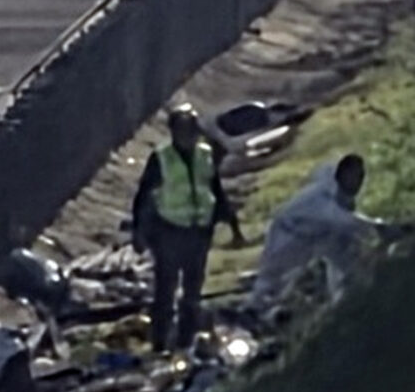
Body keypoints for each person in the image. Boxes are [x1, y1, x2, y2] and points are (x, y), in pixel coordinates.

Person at [131, 104, 243, 353]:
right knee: (166, 290)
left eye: (192, 131)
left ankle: (185, 341)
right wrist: (139, 232)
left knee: (193, 291)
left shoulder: (205, 155)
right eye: (184, 131)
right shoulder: (161, 158)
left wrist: (233, 225)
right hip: (170, 232)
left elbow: (216, 190)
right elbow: (144, 197)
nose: (189, 136)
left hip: (199, 233)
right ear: (173, 132)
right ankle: (159, 343)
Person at [249, 154, 406, 310]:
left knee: (347, 259)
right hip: (289, 234)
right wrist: (382, 228)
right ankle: (254, 309)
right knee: (273, 276)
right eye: (353, 176)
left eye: (361, 176)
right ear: (342, 175)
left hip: (320, 236)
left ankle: (345, 299)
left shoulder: (339, 192)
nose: (358, 182)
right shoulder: (321, 199)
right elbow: (345, 220)